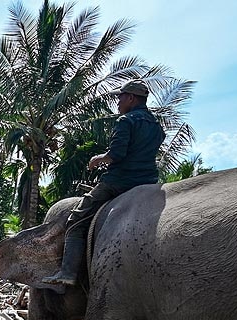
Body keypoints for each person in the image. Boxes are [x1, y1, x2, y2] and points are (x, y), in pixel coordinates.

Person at [42, 80, 164, 288]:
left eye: (121, 97)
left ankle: (67, 273)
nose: (118, 102)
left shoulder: (126, 121)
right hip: (149, 183)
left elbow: (117, 154)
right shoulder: (157, 127)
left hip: (119, 182)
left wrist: (98, 159)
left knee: (76, 220)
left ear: (131, 98)